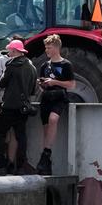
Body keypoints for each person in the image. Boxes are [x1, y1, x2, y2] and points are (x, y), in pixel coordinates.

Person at [0, 40, 37, 174]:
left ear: (14, 51)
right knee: (21, 136)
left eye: (10, 51)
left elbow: (2, 83)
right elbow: (32, 89)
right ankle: (20, 167)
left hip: (9, 106)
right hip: (24, 107)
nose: (9, 54)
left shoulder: (12, 65)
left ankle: (1, 166)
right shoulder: (31, 67)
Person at [37, 34, 77, 175]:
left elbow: (72, 85)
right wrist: (42, 84)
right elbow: (42, 86)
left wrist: (54, 82)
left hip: (59, 97)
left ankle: (46, 154)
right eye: (46, 47)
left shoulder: (66, 65)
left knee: (53, 120)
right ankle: (46, 160)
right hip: (46, 97)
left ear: (56, 48)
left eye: (49, 47)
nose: (47, 50)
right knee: (46, 129)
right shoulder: (44, 65)